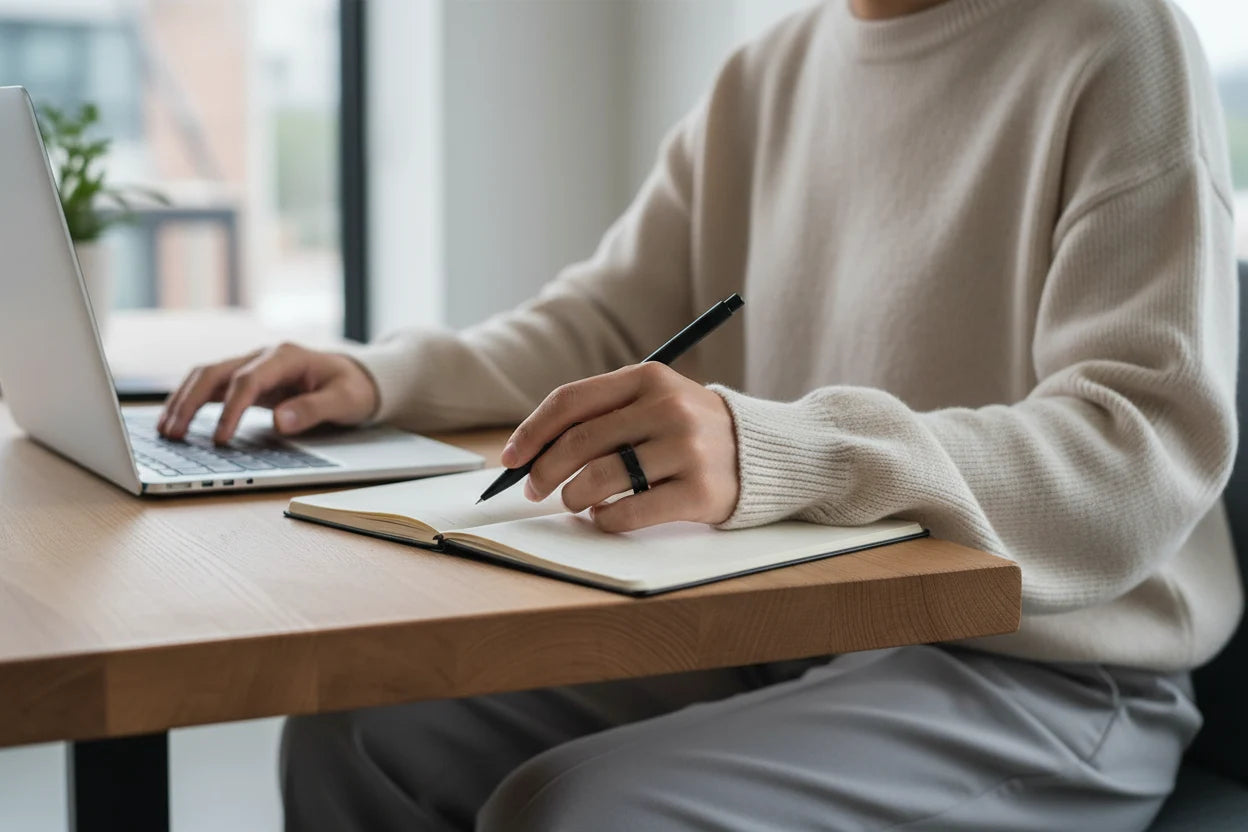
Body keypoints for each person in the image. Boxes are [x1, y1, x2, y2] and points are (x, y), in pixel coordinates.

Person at [159, 0, 1242, 828]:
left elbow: (1139, 450)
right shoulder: (768, 75)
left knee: (580, 811)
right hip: (792, 628)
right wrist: (382, 379)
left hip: (1047, 675)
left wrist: (779, 449)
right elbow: (600, 326)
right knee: (356, 737)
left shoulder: (1113, 41)